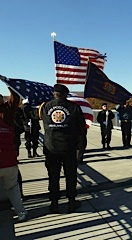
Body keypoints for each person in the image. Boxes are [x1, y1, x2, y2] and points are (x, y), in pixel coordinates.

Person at [36, 84, 85, 213]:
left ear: (54, 94)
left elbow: (34, 115)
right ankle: (71, 202)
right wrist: (80, 146)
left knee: (53, 175)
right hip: (68, 147)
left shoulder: (46, 106)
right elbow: (81, 129)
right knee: (70, 175)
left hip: (51, 147)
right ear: (65, 94)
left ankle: (54, 203)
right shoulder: (74, 107)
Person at [0, 78, 27, 221]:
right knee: (13, 188)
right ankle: (21, 212)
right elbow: (15, 98)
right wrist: (9, 84)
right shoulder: (9, 116)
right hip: (10, 161)